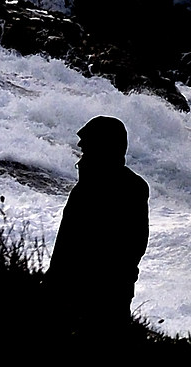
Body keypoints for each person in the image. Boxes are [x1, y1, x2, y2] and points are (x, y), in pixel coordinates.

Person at [47, 115, 149, 337]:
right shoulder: (102, 186)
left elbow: (132, 245)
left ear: (103, 148)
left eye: (87, 148)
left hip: (99, 294)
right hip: (92, 291)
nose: (81, 154)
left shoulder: (121, 188)